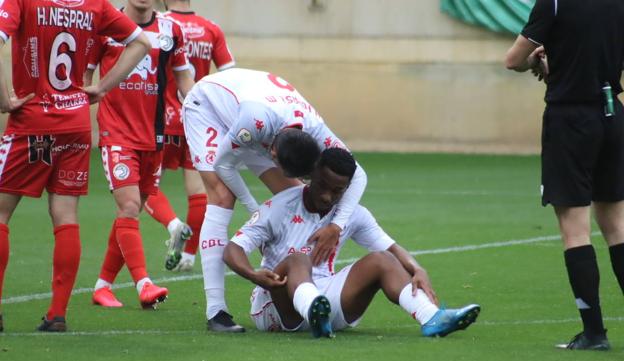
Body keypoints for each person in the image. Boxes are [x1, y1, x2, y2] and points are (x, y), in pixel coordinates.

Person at [0, 0, 150, 332]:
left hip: (32, 122)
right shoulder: (95, 5)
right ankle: (57, 315)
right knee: (66, 215)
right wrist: (102, 87)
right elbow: (142, 42)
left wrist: (3, 98)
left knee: (1, 213)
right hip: (76, 124)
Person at [182, 68, 367, 332]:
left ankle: (301, 287)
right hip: (210, 107)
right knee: (222, 196)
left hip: (267, 117)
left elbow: (359, 175)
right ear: (272, 152)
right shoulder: (251, 124)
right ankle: (217, 312)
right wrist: (255, 211)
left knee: (294, 194)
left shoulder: (315, 129)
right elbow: (225, 167)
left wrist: (336, 226)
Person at [223, 148, 480, 337]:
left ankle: (431, 317)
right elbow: (232, 249)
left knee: (382, 260)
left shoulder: (353, 214)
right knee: (298, 259)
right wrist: (253, 275)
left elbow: (390, 247)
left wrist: (417, 268)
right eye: (323, 185)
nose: (327, 195)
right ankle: (312, 307)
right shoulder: (279, 207)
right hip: (278, 308)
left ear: (347, 189)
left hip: (328, 302)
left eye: (337, 191)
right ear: (312, 175)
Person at [505, 0, 624, 350]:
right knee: (617, 227)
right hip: (612, 114)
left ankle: (594, 333)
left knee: (575, 230)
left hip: (570, 120)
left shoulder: (554, 3)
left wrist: (539, 57)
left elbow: (513, 60)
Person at [86, 0, 195, 309]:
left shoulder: (171, 30)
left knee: (132, 210)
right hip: (116, 133)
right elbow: (85, 75)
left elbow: (184, 78)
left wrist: (204, 106)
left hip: (154, 136)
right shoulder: (105, 28)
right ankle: (144, 284)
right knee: (131, 205)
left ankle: (102, 286)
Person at [144, 0, 236, 273]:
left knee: (144, 188)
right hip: (196, 120)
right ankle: (189, 256)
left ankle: (173, 224)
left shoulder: (161, 23)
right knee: (198, 192)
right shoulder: (211, 29)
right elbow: (229, 75)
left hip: (162, 119)